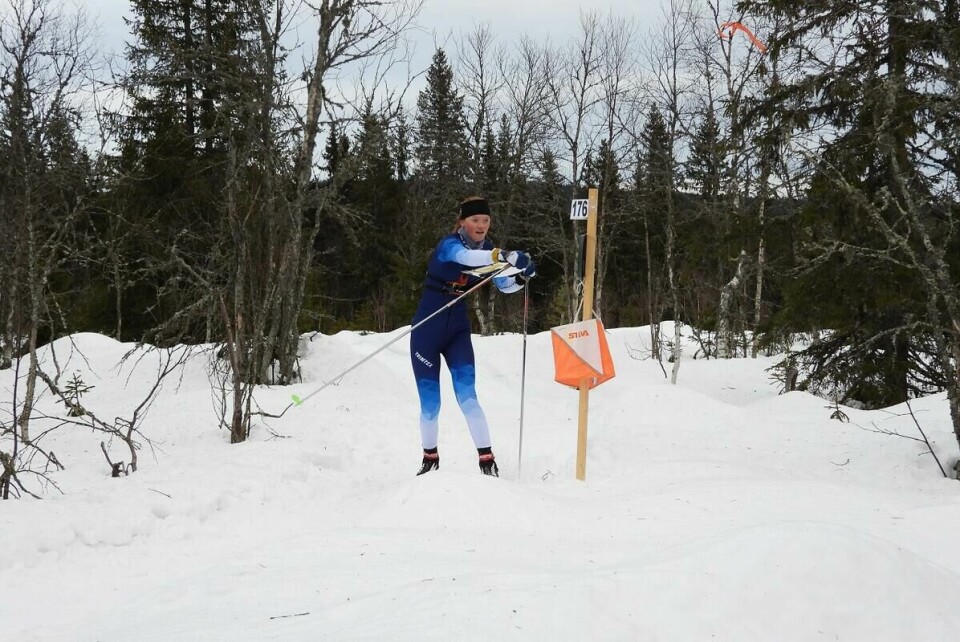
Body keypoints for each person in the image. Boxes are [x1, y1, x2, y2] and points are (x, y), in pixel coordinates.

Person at [410, 196, 536, 477]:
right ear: (463, 222)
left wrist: (521, 276)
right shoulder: (450, 246)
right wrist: (503, 256)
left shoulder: (489, 249)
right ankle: (430, 458)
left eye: (486, 221)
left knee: (468, 395)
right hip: (426, 331)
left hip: (457, 331)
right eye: (475, 220)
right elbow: (467, 259)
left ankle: (486, 460)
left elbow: (503, 285)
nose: (481, 225)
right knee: (431, 404)